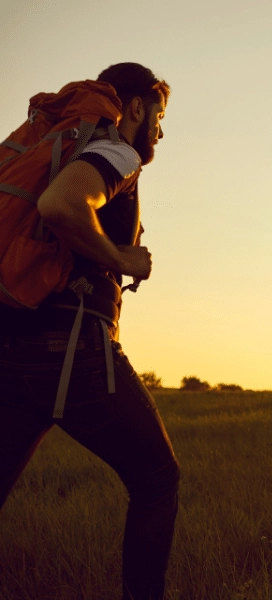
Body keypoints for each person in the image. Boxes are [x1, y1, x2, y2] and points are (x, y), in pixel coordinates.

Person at [0, 63, 178, 600]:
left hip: (11, 341)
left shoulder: (52, 145)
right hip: (70, 347)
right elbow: (61, 205)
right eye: (161, 116)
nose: (161, 132)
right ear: (139, 108)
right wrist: (121, 258)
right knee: (157, 479)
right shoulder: (113, 148)